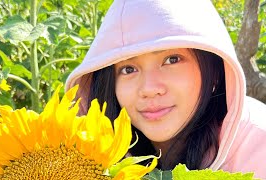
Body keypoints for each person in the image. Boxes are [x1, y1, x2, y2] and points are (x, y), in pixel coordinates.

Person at [65, 0, 266, 178]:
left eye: (172, 60)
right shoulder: (94, 157)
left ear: (213, 69)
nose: (150, 89)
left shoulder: (258, 146)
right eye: (128, 69)